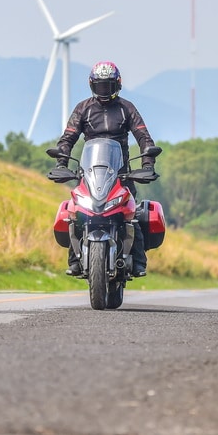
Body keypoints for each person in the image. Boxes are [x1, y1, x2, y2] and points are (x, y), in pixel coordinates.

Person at [53, 61, 157, 278]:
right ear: (92, 85)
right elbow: (68, 137)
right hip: (90, 173)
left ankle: (138, 261)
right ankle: (74, 261)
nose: (104, 91)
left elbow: (143, 137)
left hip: (120, 173)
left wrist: (148, 163)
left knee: (132, 215)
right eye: (100, 86)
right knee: (75, 214)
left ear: (117, 85)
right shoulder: (83, 108)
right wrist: (61, 162)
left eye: (108, 86)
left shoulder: (126, 108)